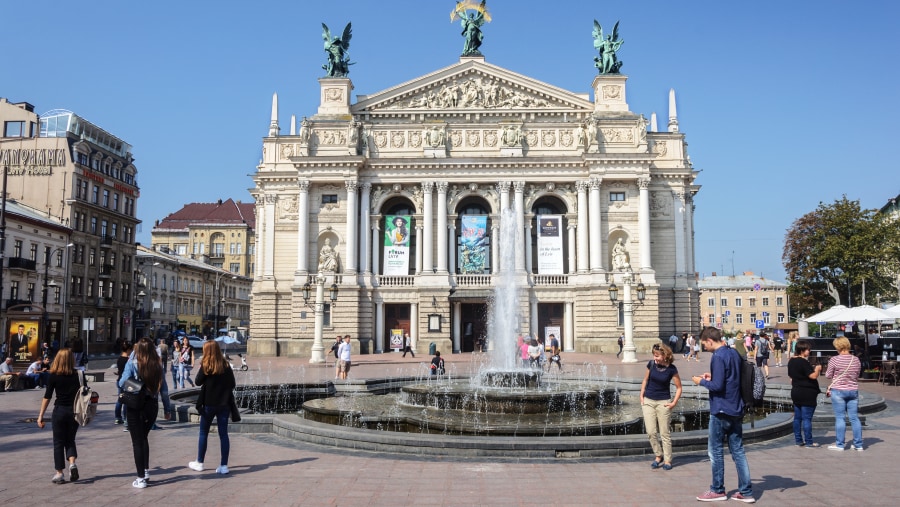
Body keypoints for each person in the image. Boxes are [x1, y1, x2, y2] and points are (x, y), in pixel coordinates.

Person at [691, 327, 754, 503]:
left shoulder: (717, 356)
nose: (704, 347)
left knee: (715, 451)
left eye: (704, 344)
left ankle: (717, 490)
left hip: (721, 409)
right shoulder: (732, 353)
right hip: (736, 406)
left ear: (710, 341)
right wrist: (713, 376)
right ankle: (746, 492)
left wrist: (701, 381)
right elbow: (731, 377)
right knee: (738, 451)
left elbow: (718, 387)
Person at [119, 338, 163, 489]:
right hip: (152, 405)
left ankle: (140, 478)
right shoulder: (157, 364)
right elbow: (163, 389)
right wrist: (168, 409)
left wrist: (131, 362)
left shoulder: (132, 363)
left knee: (137, 441)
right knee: (143, 437)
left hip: (136, 405)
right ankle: (145, 471)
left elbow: (121, 382)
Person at [188, 340, 236, 475]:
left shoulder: (206, 365)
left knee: (203, 432)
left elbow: (197, 382)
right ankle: (224, 465)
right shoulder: (225, 365)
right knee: (223, 435)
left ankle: (200, 462)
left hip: (208, 404)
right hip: (224, 405)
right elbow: (232, 384)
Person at [36, 349, 82, 484]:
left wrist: (41, 416)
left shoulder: (54, 375)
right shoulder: (78, 374)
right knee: (70, 439)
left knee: (58, 442)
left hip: (60, 410)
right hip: (75, 411)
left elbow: (47, 396)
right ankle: (72, 464)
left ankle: (59, 473)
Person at [640, 343, 682, 470]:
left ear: (665, 355)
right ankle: (658, 455)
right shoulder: (651, 364)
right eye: (654, 355)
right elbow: (645, 380)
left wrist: (674, 402)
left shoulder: (672, 369)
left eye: (657, 355)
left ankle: (668, 460)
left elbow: (679, 387)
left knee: (664, 433)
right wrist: (641, 394)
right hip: (648, 400)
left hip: (663, 402)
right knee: (651, 432)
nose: (655, 358)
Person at [825, 337, 863, 451]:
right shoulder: (856, 360)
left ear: (838, 347)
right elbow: (857, 375)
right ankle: (858, 445)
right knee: (854, 418)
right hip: (853, 390)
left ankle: (840, 444)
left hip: (838, 390)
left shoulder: (834, 359)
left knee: (840, 418)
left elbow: (827, 375)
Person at [787, 340, 822, 447]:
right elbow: (813, 376)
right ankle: (809, 442)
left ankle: (798, 440)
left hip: (796, 392)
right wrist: (817, 369)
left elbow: (791, 378)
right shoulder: (803, 362)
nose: (810, 351)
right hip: (807, 393)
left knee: (797, 418)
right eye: (808, 349)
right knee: (807, 419)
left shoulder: (791, 361)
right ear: (802, 351)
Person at [114, 341, 133, 426]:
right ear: (128, 349)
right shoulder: (128, 360)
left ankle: (118, 418)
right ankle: (126, 418)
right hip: (126, 381)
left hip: (119, 380)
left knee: (119, 400)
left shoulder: (119, 358)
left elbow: (120, 370)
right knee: (126, 401)